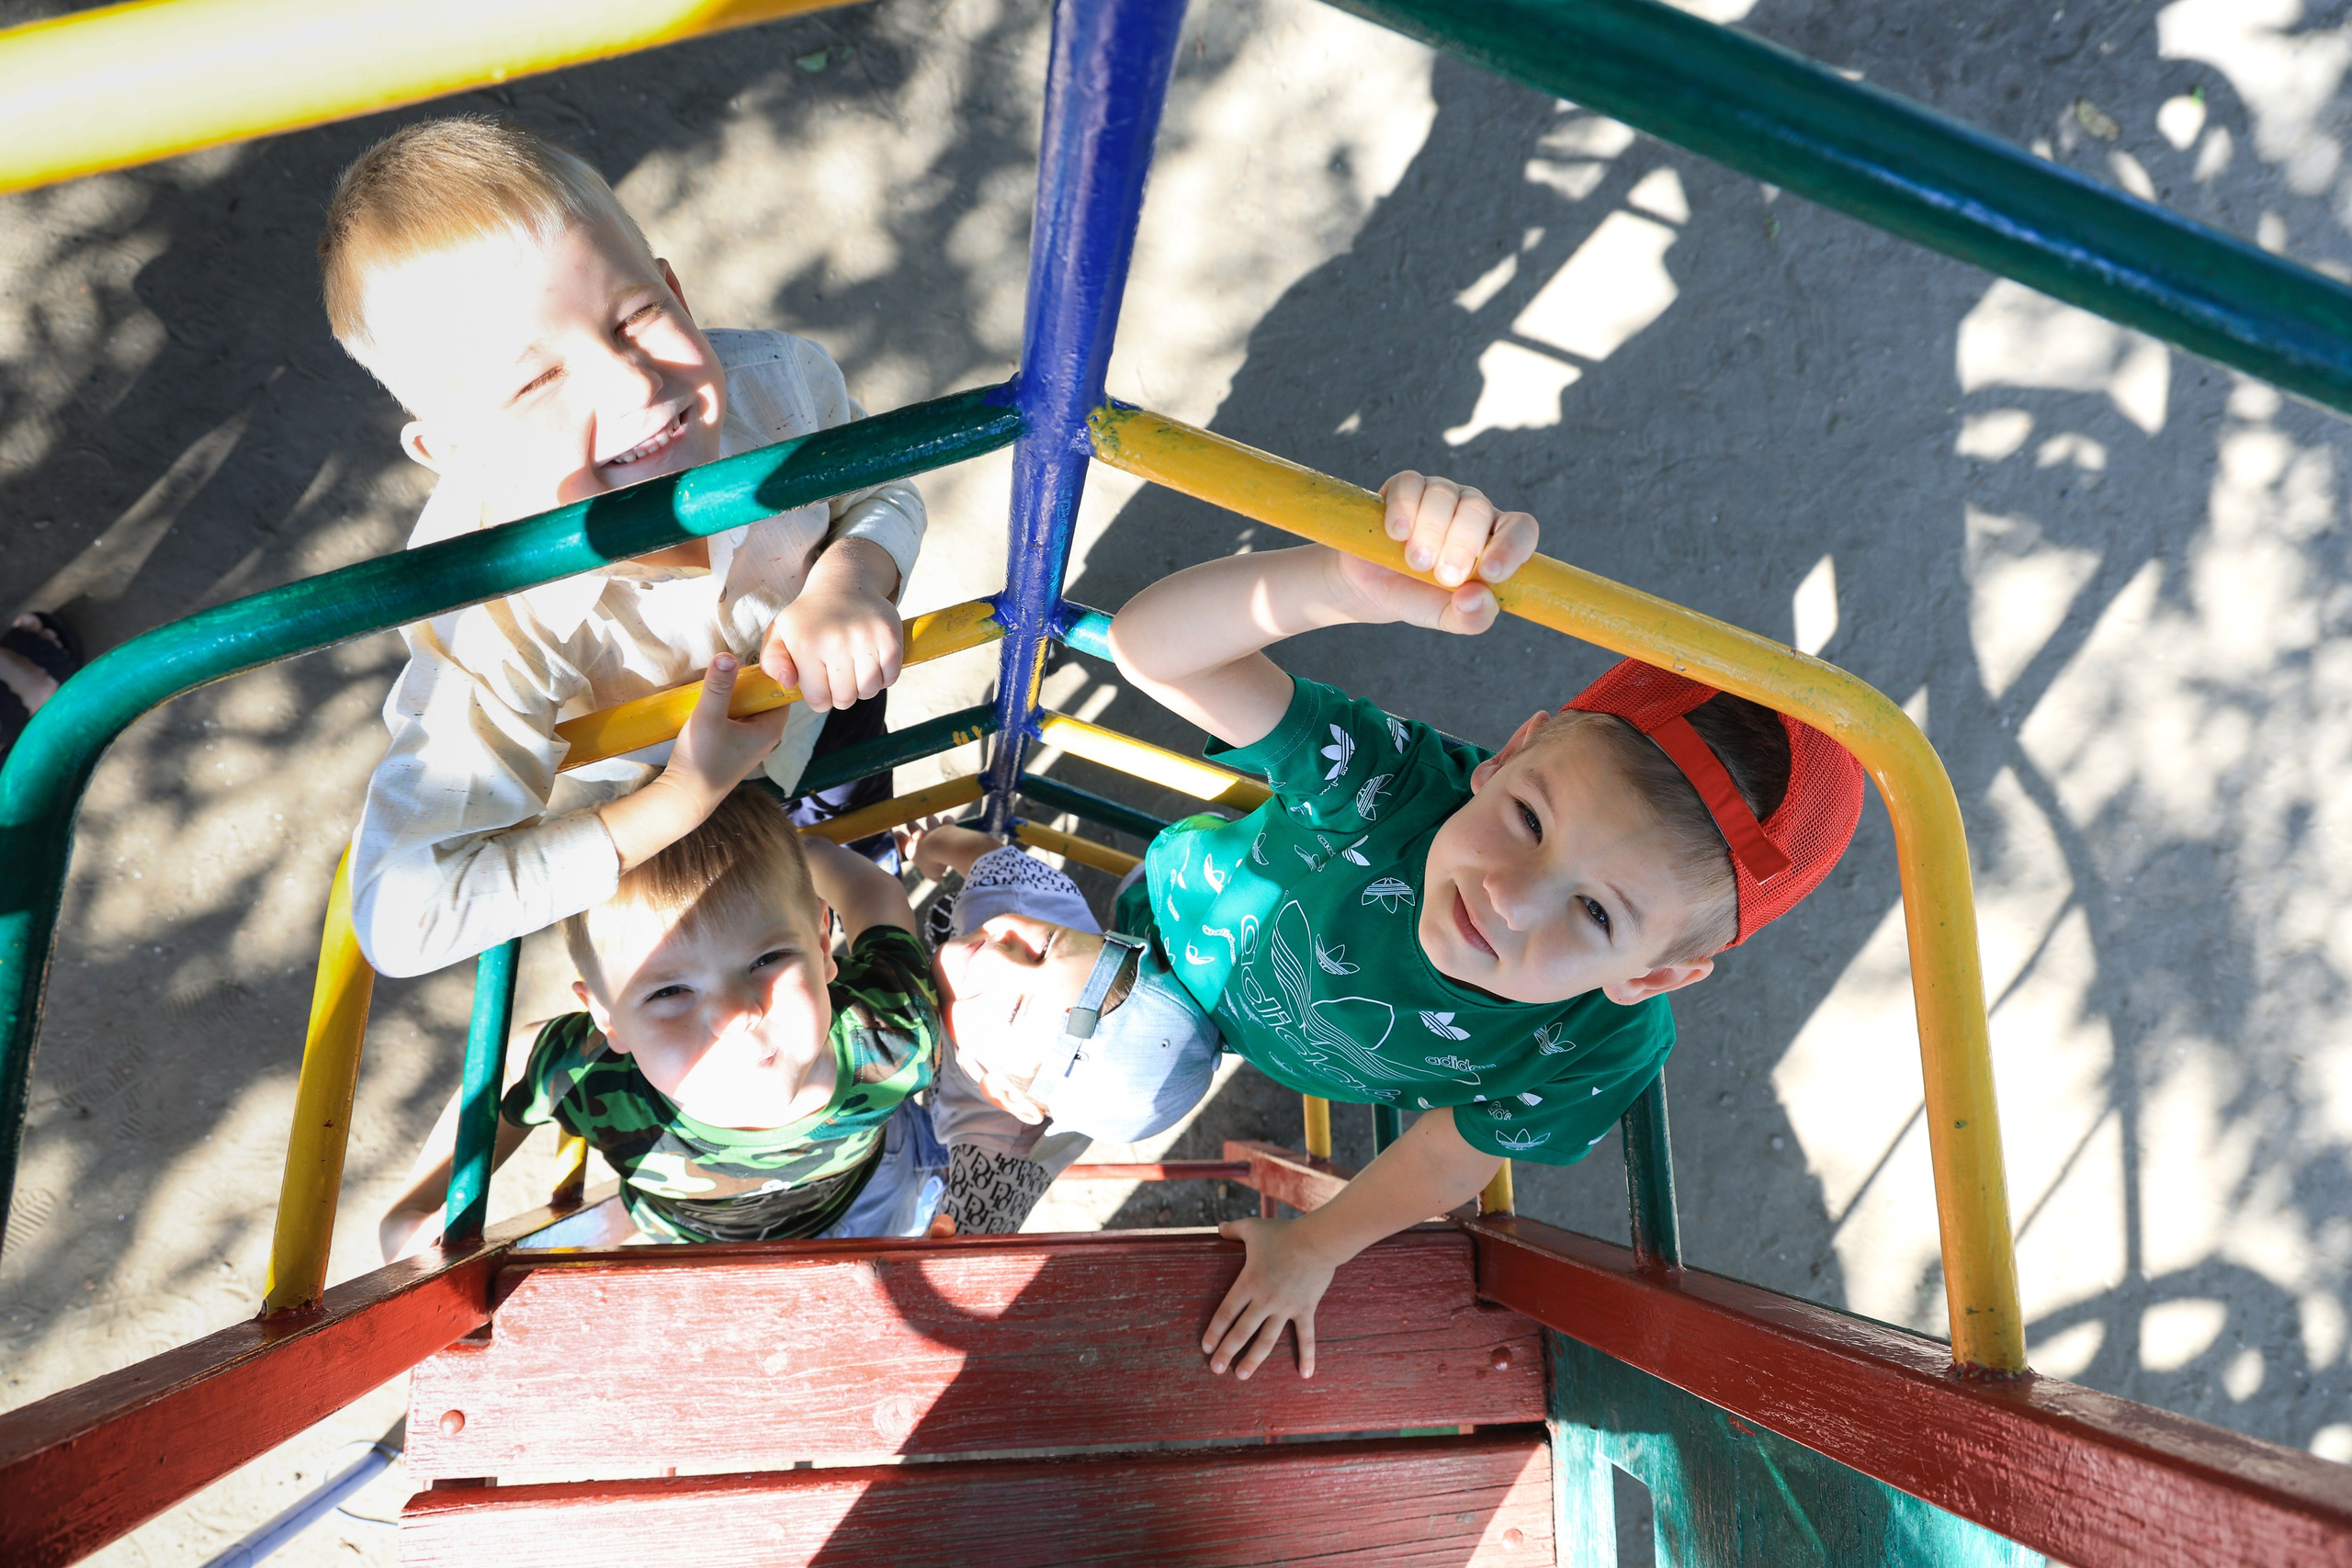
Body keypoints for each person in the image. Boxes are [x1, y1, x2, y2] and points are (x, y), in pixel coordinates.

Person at [937, 472, 1865, 1382]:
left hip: (1237, 1029)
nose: (1510, 895)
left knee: (1073, 1077)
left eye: (1592, 912)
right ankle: (969, 877)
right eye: (1529, 820)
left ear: (1652, 976)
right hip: (1166, 937)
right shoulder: (1389, 788)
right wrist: (1337, 582)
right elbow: (1154, 649)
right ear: (1505, 758)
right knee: (1002, 964)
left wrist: (1316, 1245)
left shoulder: (1599, 1046)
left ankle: (976, 1153)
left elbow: (1450, 1151)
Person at [322, 117, 922, 978]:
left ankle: (868, 879)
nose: (635, 383)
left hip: (826, 704)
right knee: (735, 977)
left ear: (674, 287)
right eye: (537, 380)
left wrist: (853, 575)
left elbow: (884, 484)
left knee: (851, 813)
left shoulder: (783, 386)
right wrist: (678, 802)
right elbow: (404, 913)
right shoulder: (490, 603)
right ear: (454, 452)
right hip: (662, 806)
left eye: (637, 315)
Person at [379, 784, 953, 1257]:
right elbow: (515, 1063)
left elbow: (874, 894)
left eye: (767, 958)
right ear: (607, 1017)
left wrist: (812, 855)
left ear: (824, 946)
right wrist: (412, 1209)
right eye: (671, 991)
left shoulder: (893, 1034)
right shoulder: (596, 1077)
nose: (736, 1014)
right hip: (684, 1245)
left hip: (867, 1202)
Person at [898, 817, 1223, 1233]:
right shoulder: (1013, 902)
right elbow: (985, 855)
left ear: (1006, 1095)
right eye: (1045, 947)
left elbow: (967, 1244)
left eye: (1015, 1010)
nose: (997, 955)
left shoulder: (1001, 1162)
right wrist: (931, 845)